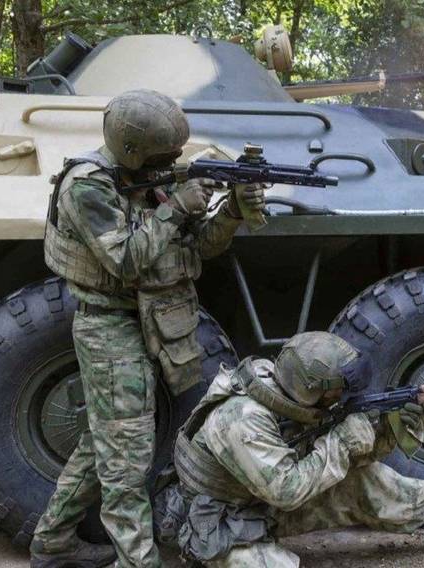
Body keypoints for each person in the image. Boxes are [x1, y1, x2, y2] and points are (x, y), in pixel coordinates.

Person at [31, 89, 266, 568]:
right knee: (126, 458)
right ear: (132, 149)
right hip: (110, 328)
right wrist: (176, 206)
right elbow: (125, 260)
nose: (173, 162)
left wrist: (231, 212)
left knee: (107, 443)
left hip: (150, 321)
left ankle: (52, 543)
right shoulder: (86, 186)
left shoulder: (147, 180)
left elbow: (198, 248)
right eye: (164, 155)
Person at [159, 331, 424, 567]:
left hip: (258, 501)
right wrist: (341, 441)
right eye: (338, 391)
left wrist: (386, 430)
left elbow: (343, 458)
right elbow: (287, 490)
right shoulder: (241, 418)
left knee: (361, 477)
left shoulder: (288, 392)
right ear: (312, 388)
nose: (343, 397)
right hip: (214, 521)